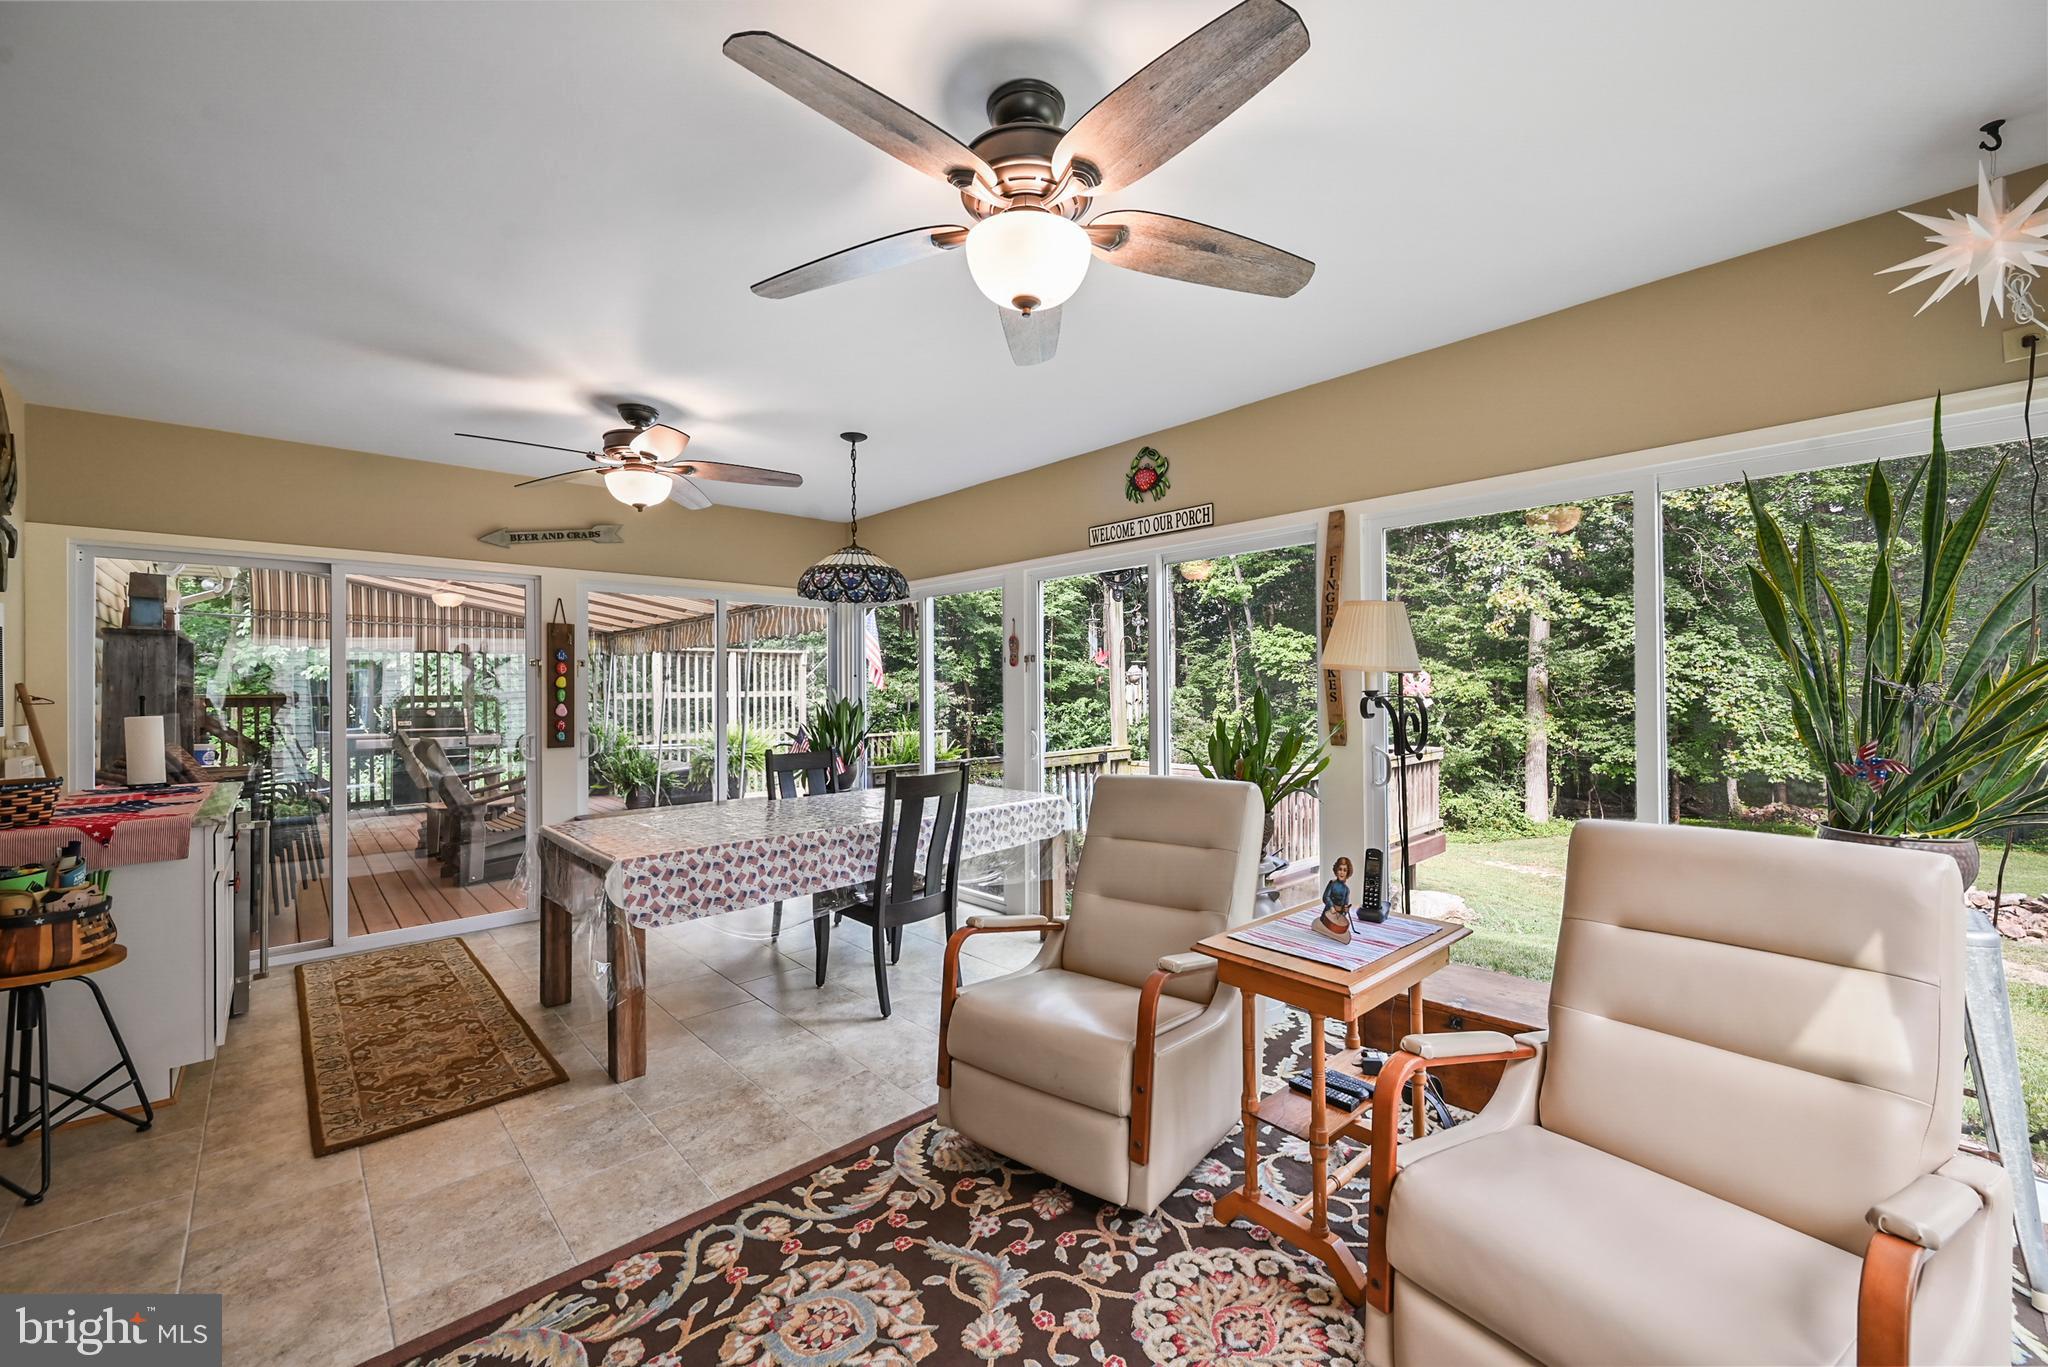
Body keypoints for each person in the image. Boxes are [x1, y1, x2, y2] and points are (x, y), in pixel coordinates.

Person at [1316, 857, 1354, 940]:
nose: (1342, 872)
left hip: (1338, 917)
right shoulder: (1332, 884)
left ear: (1348, 873)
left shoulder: (1346, 889)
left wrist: (1345, 910)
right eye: (1340, 869)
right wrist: (1331, 907)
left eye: (1345, 870)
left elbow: (1345, 905)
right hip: (1328, 914)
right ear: (1336, 870)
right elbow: (1326, 897)